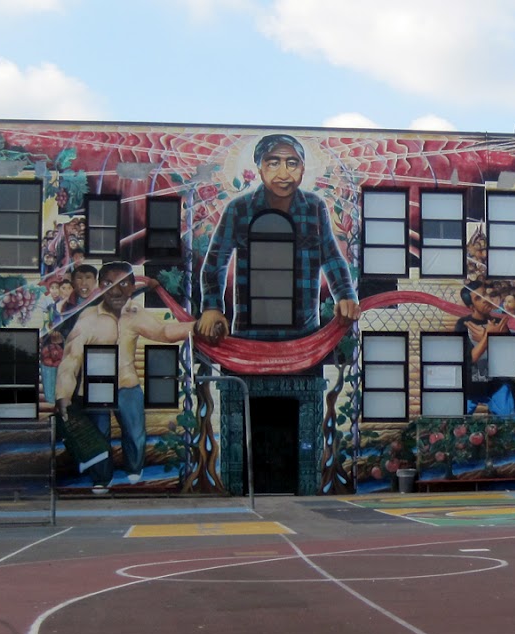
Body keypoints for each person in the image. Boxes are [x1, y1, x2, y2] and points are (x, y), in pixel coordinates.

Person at [196, 133, 359, 344]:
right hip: (250, 337)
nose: (284, 174)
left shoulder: (314, 207)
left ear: (303, 168)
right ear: (259, 168)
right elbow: (215, 262)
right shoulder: (239, 209)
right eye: (273, 163)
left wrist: (345, 295)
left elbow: (331, 256)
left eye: (292, 163)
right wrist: (212, 308)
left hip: (304, 337)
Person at [55, 262, 194, 488]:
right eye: (109, 284)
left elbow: (164, 332)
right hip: (95, 386)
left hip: (126, 384)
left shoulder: (135, 313)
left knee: (136, 433)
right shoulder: (88, 318)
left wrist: (195, 327)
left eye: (123, 284)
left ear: (132, 287)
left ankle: (134, 470)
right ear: (100, 286)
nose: (116, 291)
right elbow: (71, 358)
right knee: (99, 435)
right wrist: (63, 394)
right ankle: (101, 480)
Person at [456, 284, 515, 417]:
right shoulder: (463, 324)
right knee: (456, 421)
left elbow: (508, 356)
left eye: (485, 294)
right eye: (478, 298)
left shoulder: (499, 323)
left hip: (497, 385)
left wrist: (493, 337)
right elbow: (469, 359)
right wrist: (488, 337)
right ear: (471, 306)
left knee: (511, 421)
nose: (485, 299)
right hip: (470, 386)